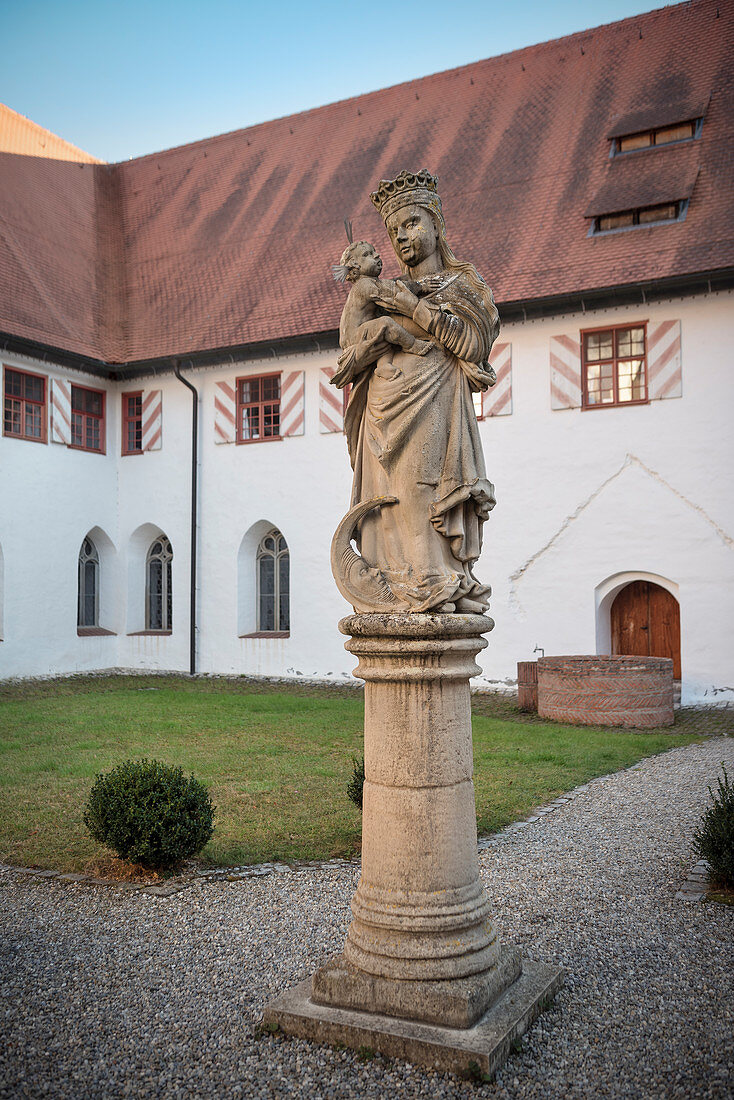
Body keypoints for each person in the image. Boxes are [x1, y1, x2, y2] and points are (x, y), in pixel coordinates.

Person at [331, 169, 500, 614]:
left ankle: (437, 584)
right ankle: (400, 584)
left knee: (427, 490)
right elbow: (351, 352)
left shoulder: (461, 286)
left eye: (412, 224)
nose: (403, 236)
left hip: (433, 403)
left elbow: (473, 345)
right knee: (391, 500)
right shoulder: (383, 289)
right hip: (383, 410)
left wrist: (413, 308)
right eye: (394, 230)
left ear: (435, 225)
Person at [331, 240, 432, 391]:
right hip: (355, 337)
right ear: (355, 267)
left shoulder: (369, 283)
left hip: (360, 333)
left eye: (374, 251)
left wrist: (405, 280)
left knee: (383, 332)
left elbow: (391, 283)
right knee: (385, 323)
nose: (377, 255)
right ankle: (413, 345)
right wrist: (420, 286)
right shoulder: (364, 285)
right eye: (368, 254)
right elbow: (392, 292)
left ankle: (383, 366)